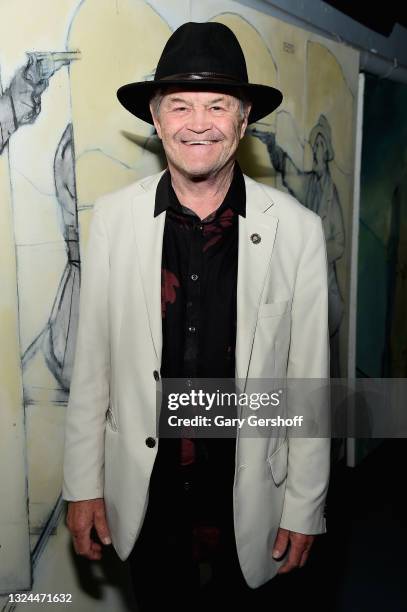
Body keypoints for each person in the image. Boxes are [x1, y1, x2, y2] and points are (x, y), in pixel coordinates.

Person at [63, 21, 330, 611]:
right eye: (179, 106)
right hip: (148, 494)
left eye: (218, 104)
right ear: (156, 120)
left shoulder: (299, 233)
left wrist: (305, 505)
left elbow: (307, 383)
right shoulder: (111, 222)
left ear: (245, 117)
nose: (199, 122)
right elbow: (92, 368)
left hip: (249, 492)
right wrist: (83, 486)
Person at [251, 117, 345, 376]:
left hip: (325, 283)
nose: (314, 151)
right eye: (313, 146)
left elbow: (339, 244)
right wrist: (272, 147)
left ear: (327, 152)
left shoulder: (330, 193)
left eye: (319, 146)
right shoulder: (311, 184)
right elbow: (291, 176)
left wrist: (311, 251)